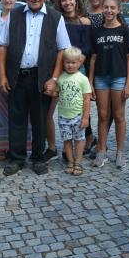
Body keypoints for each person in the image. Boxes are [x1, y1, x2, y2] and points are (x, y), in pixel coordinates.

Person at [0, 0, 71, 176]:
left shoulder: (55, 17)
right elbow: (2, 46)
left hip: (42, 78)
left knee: (39, 120)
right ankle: (17, 158)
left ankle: (38, 158)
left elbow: (63, 50)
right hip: (17, 77)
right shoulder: (14, 15)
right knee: (16, 119)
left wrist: (54, 79)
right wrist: (2, 75)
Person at [89, 0, 129, 168]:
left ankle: (120, 153)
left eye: (112, 8)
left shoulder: (124, 31)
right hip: (101, 78)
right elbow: (93, 58)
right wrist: (90, 82)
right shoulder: (97, 32)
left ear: (118, 10)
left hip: (119, 77)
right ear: (102, 9)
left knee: (119, 116)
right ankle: (101, 152)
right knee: (102, 115)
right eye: (106, 7)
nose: (109, 10)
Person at [0, 0, 32, 160]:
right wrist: (1, 59)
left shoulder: (23, 19)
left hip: (17, 71)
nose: (8, 0)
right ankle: (0, 147)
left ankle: (20, 145)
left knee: (19, 111)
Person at [46, 0, 92, 160]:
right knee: (52, 110)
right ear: (60, 3)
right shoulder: (56, 21)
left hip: (78, 68)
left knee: (78, 110)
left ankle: (76, 148)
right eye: (63, 0)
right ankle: (53, 146)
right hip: (58, 68)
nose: (67, 2)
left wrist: (76, 63)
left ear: (75, 0)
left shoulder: (84, 22)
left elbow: (87, 47)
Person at [55, 47, 93, 175]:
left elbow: (87, 99)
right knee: (66, 140)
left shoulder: (83, 79)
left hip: (77, 116)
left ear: (79, 62)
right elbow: (57, 93)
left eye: (73, 62)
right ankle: (70, 162)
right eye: (67, 62)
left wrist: (85, 117)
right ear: (63, 62)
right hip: (63, 116)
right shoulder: (60, 78)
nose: (70, 65)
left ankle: (78, 162)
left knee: (79, 140)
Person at [82, 0, 109, 155]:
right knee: (83, 105)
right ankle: (89, 137)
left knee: (104, 108)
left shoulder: (110, 12)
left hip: (104, 64)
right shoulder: (82, 13)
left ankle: (102, 142)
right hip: (82, 63)